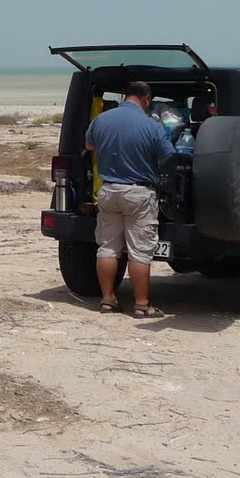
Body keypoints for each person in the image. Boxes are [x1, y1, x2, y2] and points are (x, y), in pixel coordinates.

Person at [85, 80, 173, 318]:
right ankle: (142, 305)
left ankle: (107, 300)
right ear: (146, 99)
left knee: (107, 248)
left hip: (108, 190)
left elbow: (89, 145)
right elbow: (169, 156)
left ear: (125, 95)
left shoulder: (101, 120)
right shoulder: (152, 126)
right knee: (140, 252)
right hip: (138, 193)